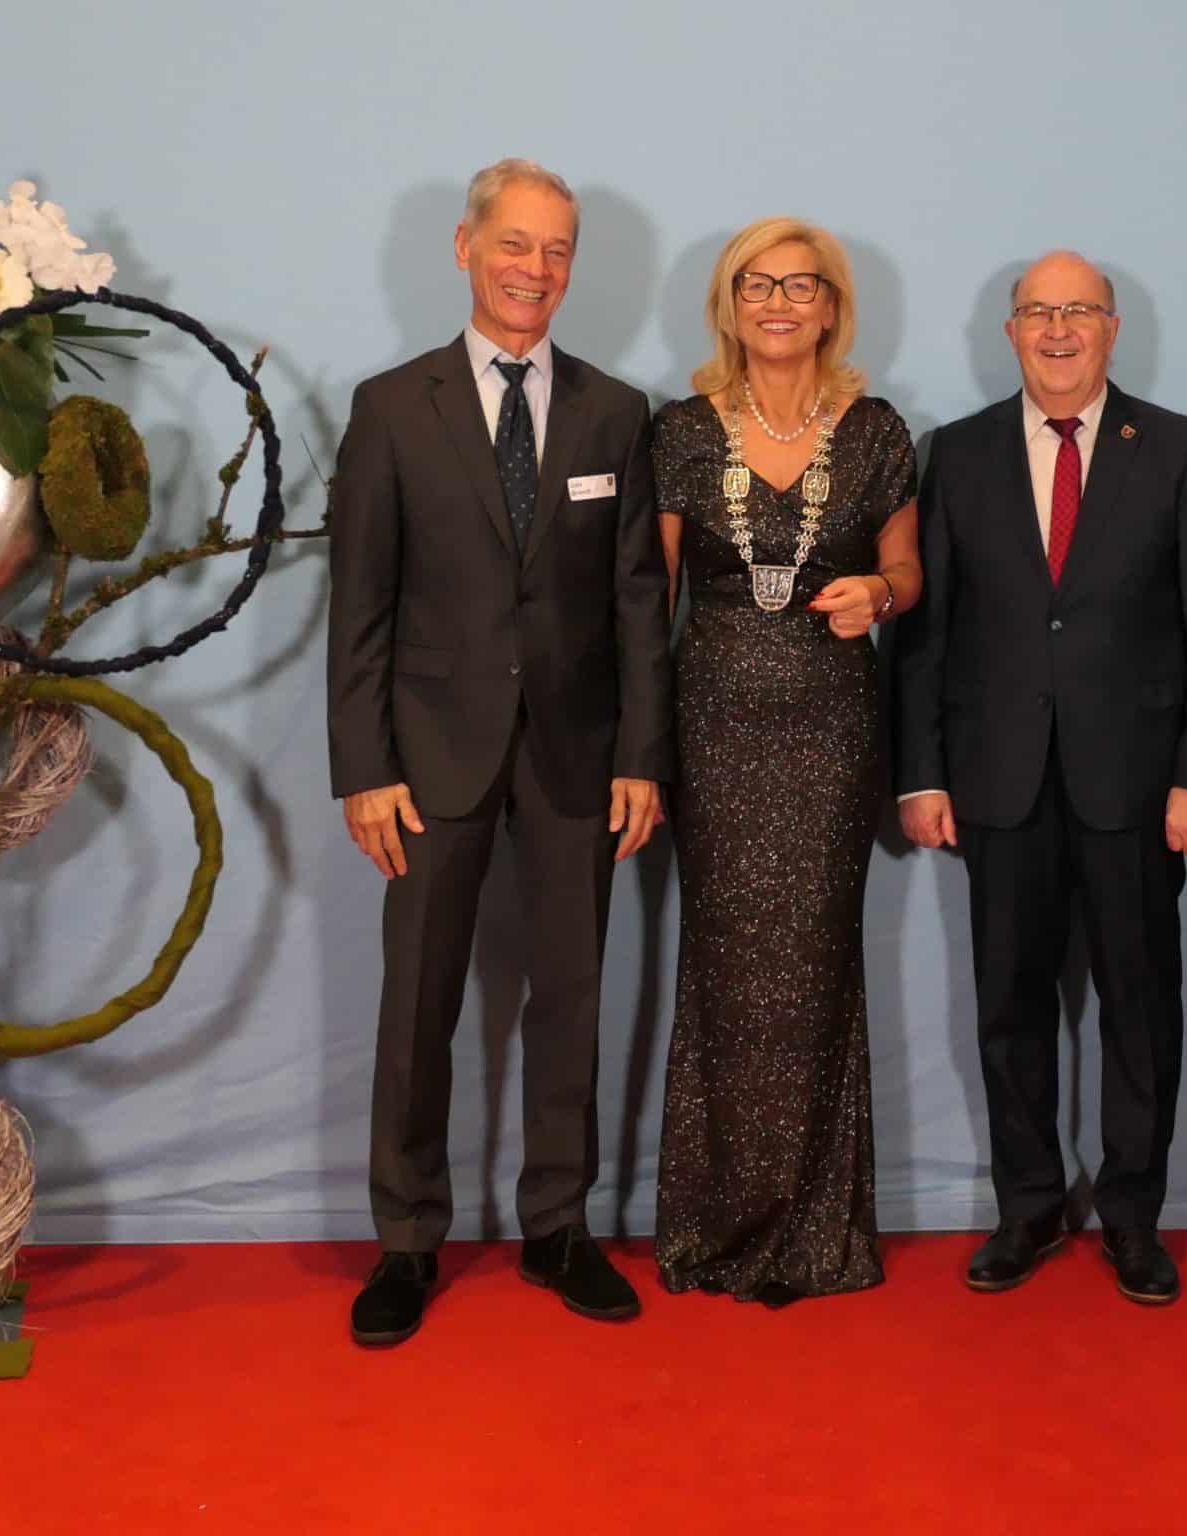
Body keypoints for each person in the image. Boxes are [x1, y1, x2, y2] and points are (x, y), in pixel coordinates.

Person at [326, 158, 675, 1346]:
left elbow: (637, 604)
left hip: (577, 757)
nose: (536, 269)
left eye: (557, 250)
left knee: (569, 997)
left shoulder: (613, 412)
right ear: (465, 248)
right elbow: (359, 607)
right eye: (516, 244)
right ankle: (406, 1239)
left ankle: (557, 1226)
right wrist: (363, 768)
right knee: (418, 1002)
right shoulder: (391, 407)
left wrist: (641, 755)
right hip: (428, 759)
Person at [895, 251, 1187, 1304]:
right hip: (996, 784)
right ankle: (1028, 1206)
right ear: (1010, 330)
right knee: (1008, 1008)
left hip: (1137, 790)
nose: (1058, 329)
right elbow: (925, 635)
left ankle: (1132, 1215)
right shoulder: (956, 453)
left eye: (1079, 311)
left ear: (1111, 328)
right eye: (1038, 311)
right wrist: (920, 774)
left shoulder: (1178, 450)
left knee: (1140, 1008)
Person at [650, 217, 921, 1306]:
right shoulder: (680, 431)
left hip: (830, 731)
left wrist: (881, 593)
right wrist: (636, 748)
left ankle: (816, 1232)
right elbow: (651, 601)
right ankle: (716, 1226)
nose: (776, 303)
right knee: (725, 969)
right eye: (755, 285)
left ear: (830, 307)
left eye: (799, 286)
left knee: (815, 967)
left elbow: (906, 569)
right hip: (713, 730)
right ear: (729, 303)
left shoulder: (876, 430)